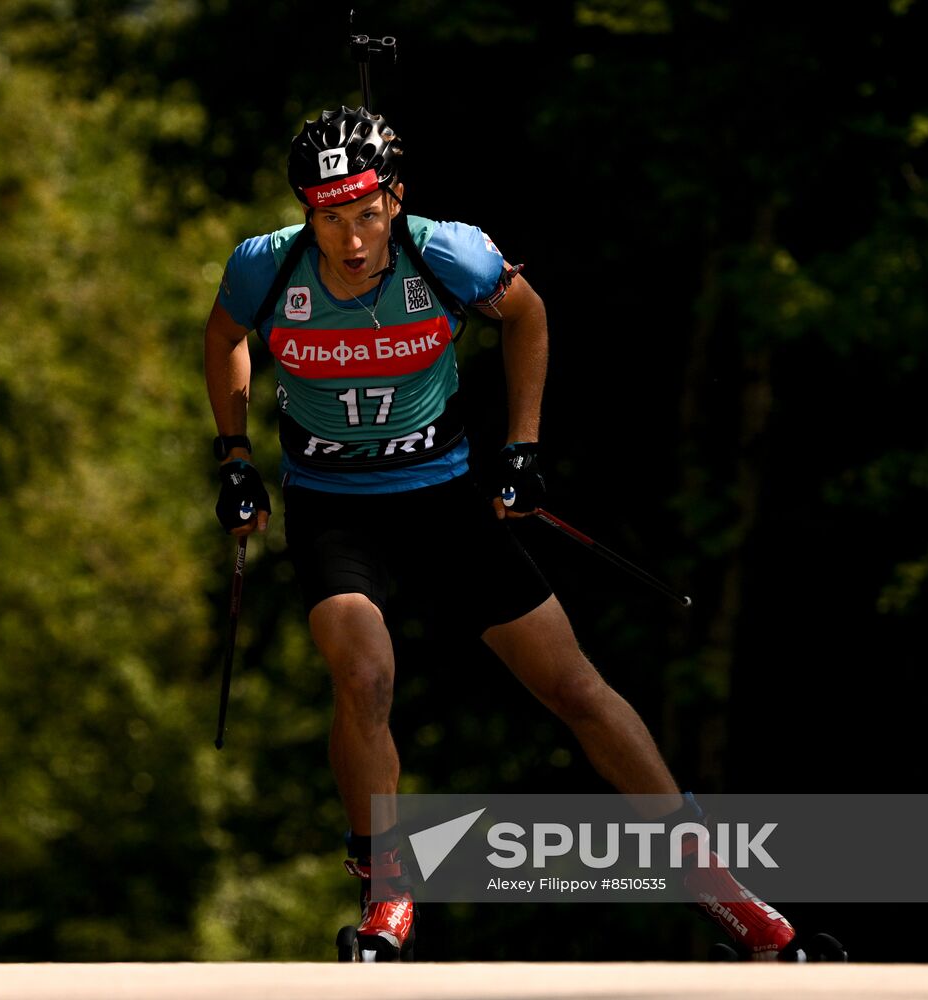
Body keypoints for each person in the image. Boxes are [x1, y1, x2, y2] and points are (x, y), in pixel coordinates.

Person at [203, 106, 802, 962]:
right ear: (306, 213)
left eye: (367, 212)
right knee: (363, 673)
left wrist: (522, 448)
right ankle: (387, 889)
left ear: (395, 197)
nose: (352, 238)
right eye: (329, 217)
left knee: (571, 686)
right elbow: (224, 337)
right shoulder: (267, 267)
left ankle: (710, 880)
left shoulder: (448, 253)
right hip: (335, 504)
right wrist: (234, 457)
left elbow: (526, 316)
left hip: (439, 496)